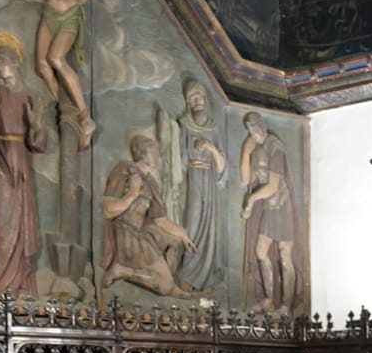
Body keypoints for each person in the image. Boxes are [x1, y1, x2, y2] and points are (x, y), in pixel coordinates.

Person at [0, 33, 52, 296]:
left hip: (21, 161)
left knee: (23, 224)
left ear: (16, 63)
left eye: (4, 60)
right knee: (3, 222)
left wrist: (36, 126)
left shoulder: (31, 96)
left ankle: (22, 282)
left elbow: (39, 144)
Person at [101, 134, 197, 297]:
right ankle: (123, 270)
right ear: (142, 153)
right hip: (126, 233)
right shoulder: (125, 170)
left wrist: (183, 234)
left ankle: (170, 280)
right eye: (153, 152)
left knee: (175, 241)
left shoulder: (151, 182)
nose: (157, 156)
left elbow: (160, 219)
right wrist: (132, 193)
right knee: (165, 287)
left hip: (142, 232)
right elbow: (107, 210)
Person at [172, 78, 227, 295]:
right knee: (192, 225)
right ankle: (188, 274)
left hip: (210, 180)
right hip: (193, 178)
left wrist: (211, 149)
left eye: (199, 96)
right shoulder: (184, 124)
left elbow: (222, 165)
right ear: (188, 102)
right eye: (192, 98)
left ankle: (208, 279)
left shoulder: (214, 128)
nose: (196, 101)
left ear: (205, 98)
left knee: (211, 228)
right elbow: (180, 157)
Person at [240, 112, 298, 311]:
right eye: (249, 128)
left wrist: (250, 200)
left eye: (255, 126)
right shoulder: (256, 149)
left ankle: (286, 306)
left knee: (284, 254)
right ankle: (269, 298)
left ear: (262, 126)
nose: (253, 131)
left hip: (281, 205)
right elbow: (246, 180)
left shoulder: (275, 147)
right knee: (260, 251)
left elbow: (273, 186)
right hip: (267, 205)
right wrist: (245, 153)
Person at [35, 0, 96, 149]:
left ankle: (85, 118)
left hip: (69, 16)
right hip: (49, 13)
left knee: (56, 58)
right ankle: (64, 108)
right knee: (42, 66)